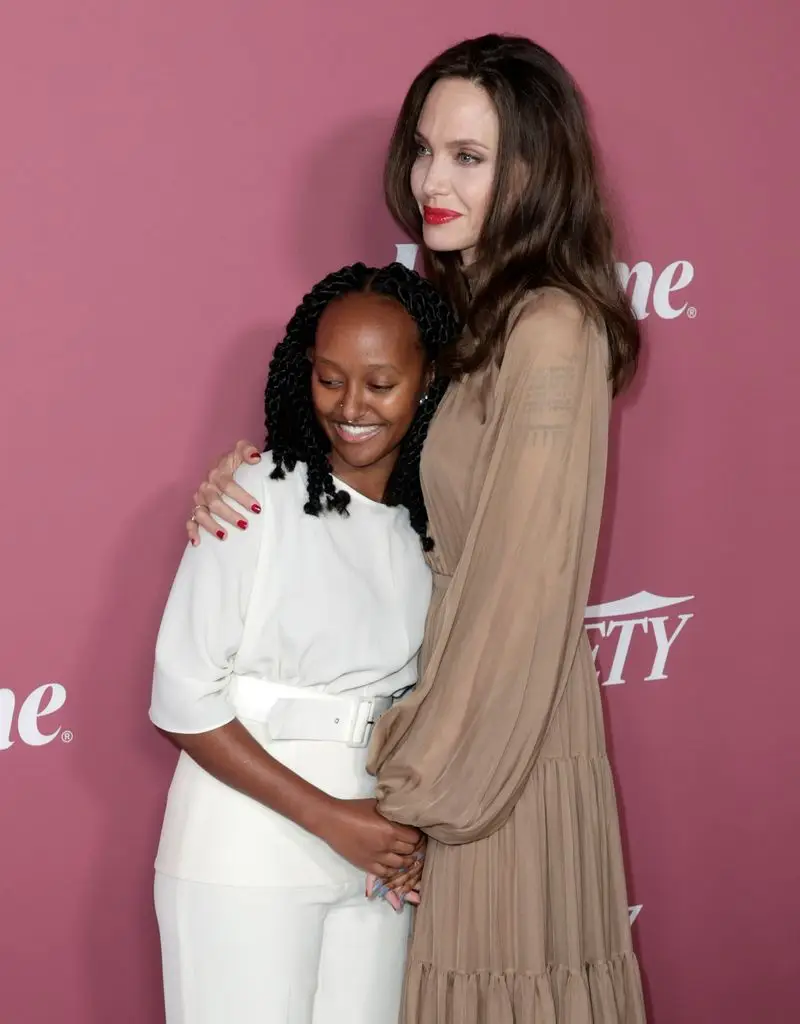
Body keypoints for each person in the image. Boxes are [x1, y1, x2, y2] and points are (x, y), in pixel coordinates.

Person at [186, 34, 647, 1024]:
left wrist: (418, 790)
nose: (430, 178)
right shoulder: (475, 321)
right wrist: (253, 470)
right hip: (467, 741)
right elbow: (381, 474)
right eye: (424, 149)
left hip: (496, 752)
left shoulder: (548, 332)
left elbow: (515, 594)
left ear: (532, 172)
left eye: (467, 157)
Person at [150, 261, 458, 1024]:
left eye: (380, 383)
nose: (351, 407)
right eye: (329, 379)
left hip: (377, 858)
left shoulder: (434, 528)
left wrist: (390, 829)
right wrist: (334, 820)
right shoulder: (254, 497)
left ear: (426, 383)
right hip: (244, 850)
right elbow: (181, 699)